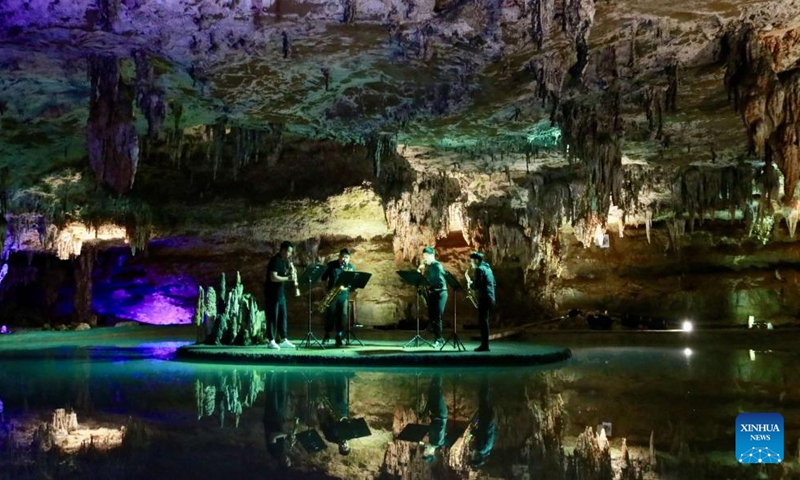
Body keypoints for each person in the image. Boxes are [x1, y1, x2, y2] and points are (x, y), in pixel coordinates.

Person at [264, 241, 297, 349]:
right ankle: (271, 340)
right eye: (288, 252)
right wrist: (288, 278)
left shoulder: (285, 261)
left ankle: (283, 339)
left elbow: (285, 273)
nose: (290, 254)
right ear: (282, 250)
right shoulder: (275, 260)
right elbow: (273, 277)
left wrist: (292, 271)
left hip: (280, 293)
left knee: (283, 316)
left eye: (291, 252)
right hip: (272, 293)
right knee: (272, 316)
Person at [320, 249, 356, 347]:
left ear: (349, 258)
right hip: (332, 294)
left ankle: (339, 336)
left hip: (344, 295)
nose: (344, 259)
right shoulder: (331, 265)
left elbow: (353, 283)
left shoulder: (351, 267)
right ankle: (327, 335)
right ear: (339, 257)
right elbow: (323, 279)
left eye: (346, 257)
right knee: (330, 314)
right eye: (342, 257)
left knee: (343, 315)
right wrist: (325, 292)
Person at [264, 371, 295, 469]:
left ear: (280, 463)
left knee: (273, 394)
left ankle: (270, 374)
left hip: (271, 419)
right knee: (283, 395)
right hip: (280, 419)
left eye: (285, 462)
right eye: (288, 461)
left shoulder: (275, 453)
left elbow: (272, 437)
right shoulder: (287, 451)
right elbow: (286, 438)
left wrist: (285, 434)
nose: (287, 459)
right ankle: (283, 373)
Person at [466, 252, 496, 352]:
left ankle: (485, 345)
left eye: (472, 261)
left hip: (484, 298)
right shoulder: (488, 269)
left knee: (483, 322)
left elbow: (477, 285)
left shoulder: (479, 269)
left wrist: (470, 284)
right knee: (485, 321)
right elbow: (494, 283)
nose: (471, 264)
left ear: (477, 260)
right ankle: (485, 344)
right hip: (490, 297)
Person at [420, 246, 447, 348]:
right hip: (434, 293)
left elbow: (440, 281)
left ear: (431, 255)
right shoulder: (430, 267)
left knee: (437, 316)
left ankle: (439, 339)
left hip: (440, 293)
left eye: (425, 256)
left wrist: (430, 287)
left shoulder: (437, 266)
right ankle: (439, 338)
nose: (424, 258)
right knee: (432, 317)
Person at [469, 375, 497, 468]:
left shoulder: (488, 449)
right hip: (485, 420)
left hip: (490, 420)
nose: (472, 455)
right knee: (482, 397)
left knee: (486, 400)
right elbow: (480, 434)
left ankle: (487, 381)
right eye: (473, 457)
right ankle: (485, 376)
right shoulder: (481, 448)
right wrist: (472, 432)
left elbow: (493, 434)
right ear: (477, 457)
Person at [422, 373, 447, 463]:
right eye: (426, 452)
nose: (425, 449)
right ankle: (439, 371)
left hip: (436, 414)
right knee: (436, 392)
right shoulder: (437, 442)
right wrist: (430, 424)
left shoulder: (432, 442)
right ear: (431, 453)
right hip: (440, 414)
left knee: (432, 392)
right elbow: (440, 427)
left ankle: (435, 373)